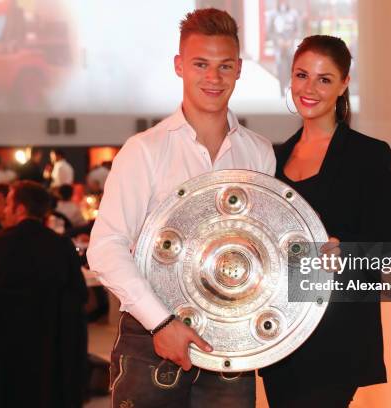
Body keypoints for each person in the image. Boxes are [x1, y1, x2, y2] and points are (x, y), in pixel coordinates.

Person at [87, 8, 275, 408]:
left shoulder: (258, 152)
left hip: (231, 343)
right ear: (179, 66)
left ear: (239, 69)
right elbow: (105, 248)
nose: (214, 77)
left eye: (225, 66)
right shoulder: (145, 150)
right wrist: (162, 322)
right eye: (201, 64)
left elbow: (262, 249)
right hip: (151, 338)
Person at [259, 35, 391, 408]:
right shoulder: (273, 159)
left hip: (338, 334)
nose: (310, 88)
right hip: (282, 333)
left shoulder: (368, 155)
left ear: (344, 84)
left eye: (324, 79)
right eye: (302, 75)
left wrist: (343, 249)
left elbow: (384, 251)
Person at [0, 181, 88, 407]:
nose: (6, 211)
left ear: (20, 209)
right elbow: (78, 296)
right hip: (50, 347)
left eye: (8, 204)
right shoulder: (61, 245)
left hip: (2, 345)